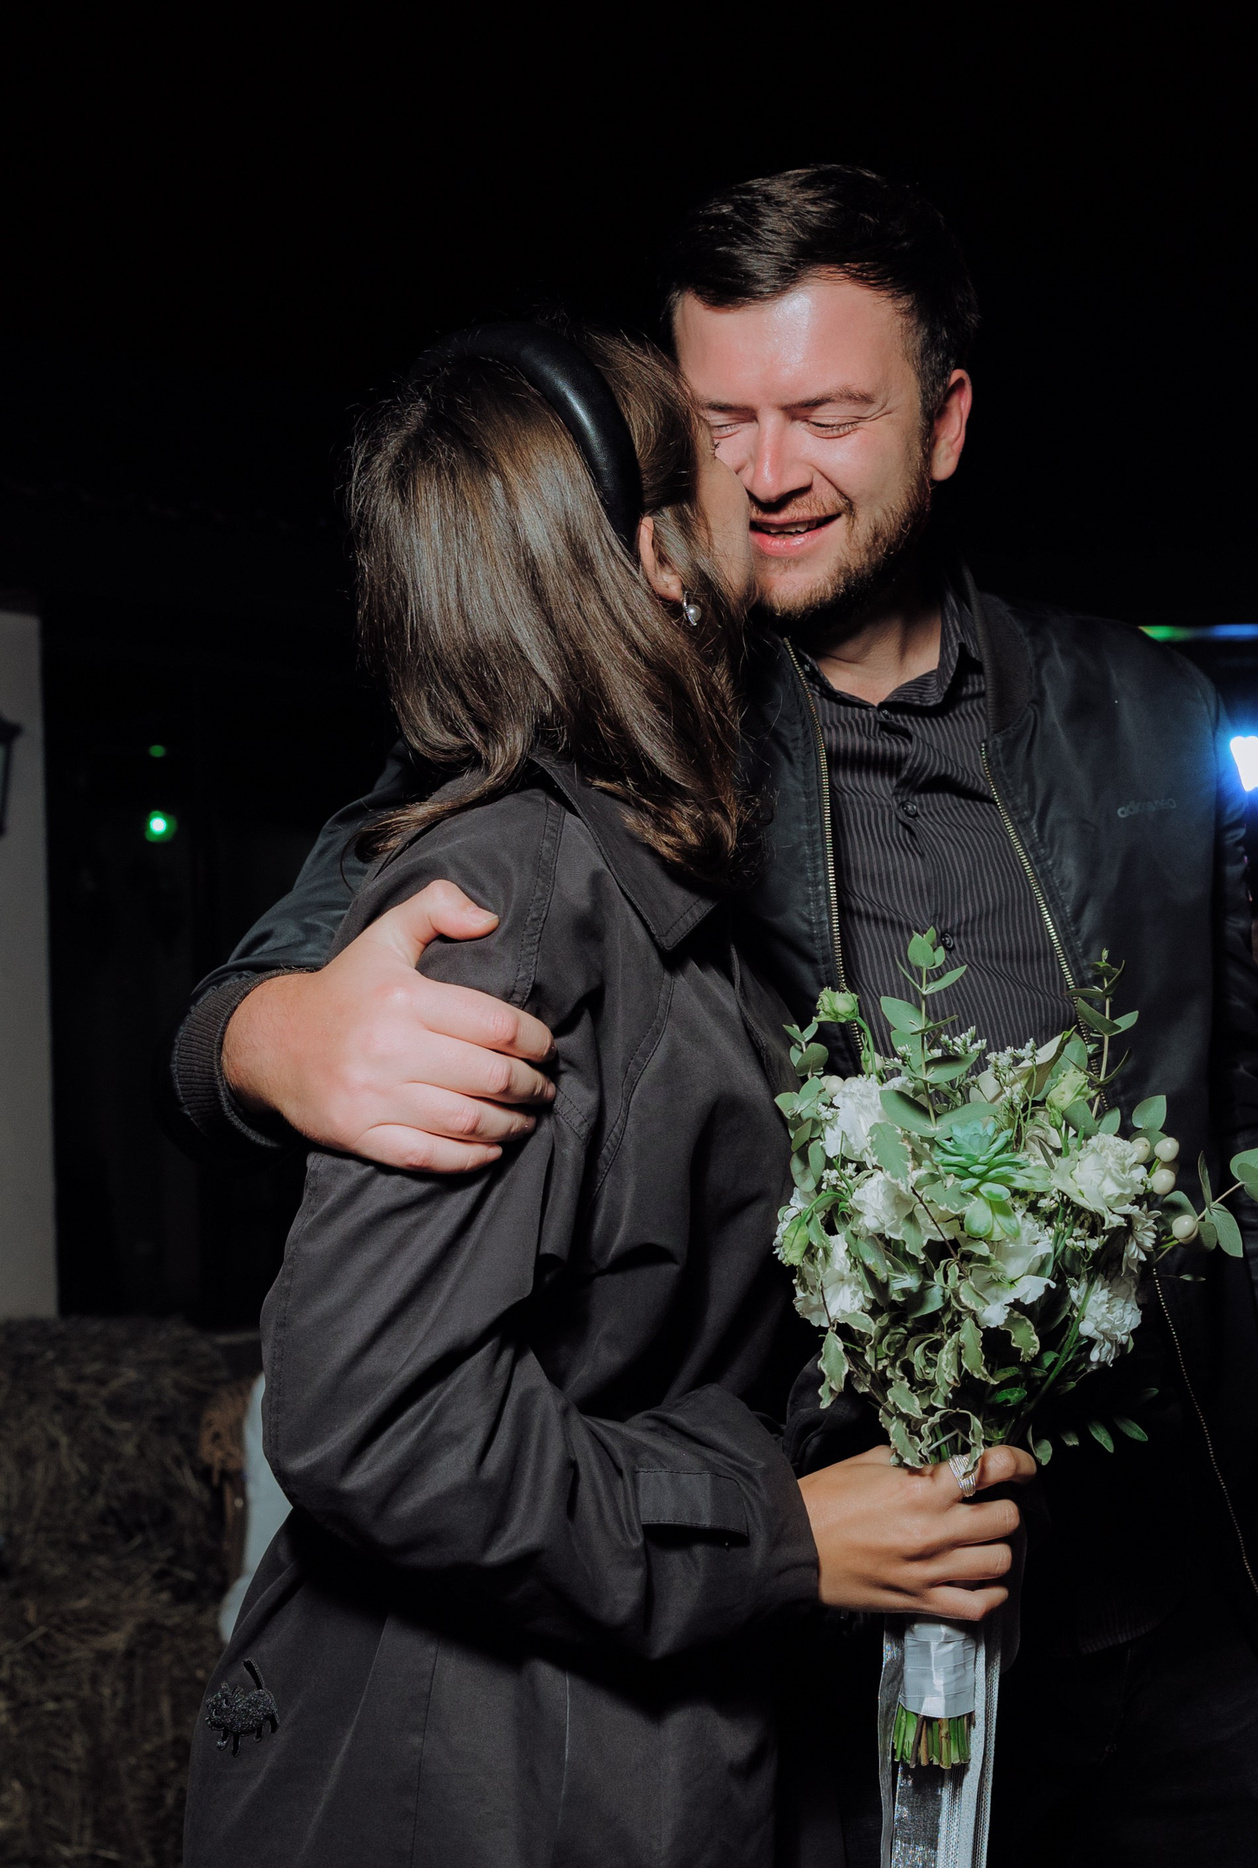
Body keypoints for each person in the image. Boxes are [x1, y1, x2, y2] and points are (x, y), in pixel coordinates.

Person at [166, 168, 1258, 1866]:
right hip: (813, 1635)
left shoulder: (1148, 714)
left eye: (825, 414)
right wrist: (267, 1036)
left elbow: (1228, 1123)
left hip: (1159, 1620)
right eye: (718, 420)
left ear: (946, 421)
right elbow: (334, 933)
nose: (765, 471)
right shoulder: (619, 728)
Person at [184, 327, 1033, 1867]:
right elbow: (376, 1418)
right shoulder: (509, 904)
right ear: (655, 556)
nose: (760, 486)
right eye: (713, 459)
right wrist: (782, 1531)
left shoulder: (643, 871)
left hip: (623, 1744)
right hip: (483, 1778)